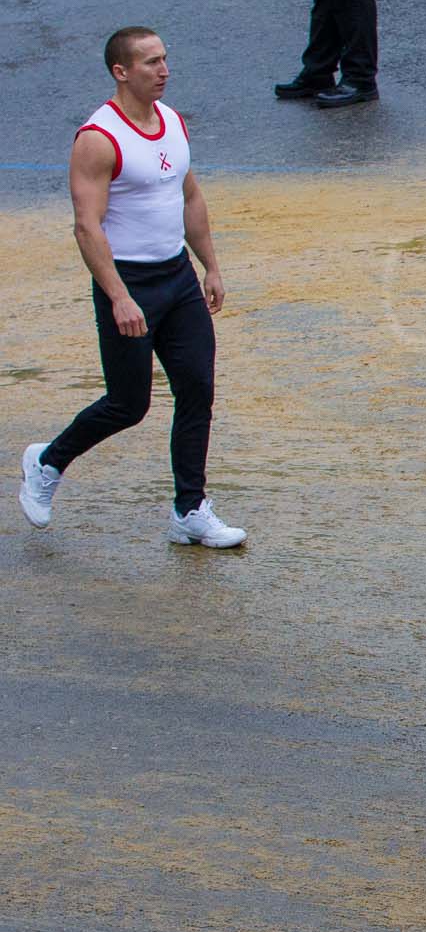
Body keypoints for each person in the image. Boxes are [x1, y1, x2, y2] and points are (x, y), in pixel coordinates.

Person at [19, 27, 244, 548]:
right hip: (130, 282)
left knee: (197, 391)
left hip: (178, 279)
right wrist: (119, 295)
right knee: (129, 403)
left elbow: (189, 196)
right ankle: (47, 462)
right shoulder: (99, 139)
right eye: (150, 63)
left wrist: (209, 265)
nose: (163, 70)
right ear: (121, 72)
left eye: (165, 59)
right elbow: (86, 225)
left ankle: (190, 510)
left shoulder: (172, 122)